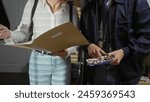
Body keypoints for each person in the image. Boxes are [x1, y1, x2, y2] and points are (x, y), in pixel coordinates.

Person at [0, 0, 79, 85]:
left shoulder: (72, 10)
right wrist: (9, 34)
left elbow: (76, 39)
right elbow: (23, 33)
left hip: (62, 63)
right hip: (38, 61)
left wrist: (68, 51)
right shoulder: (33, 4)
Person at [80, 0, 150, 84]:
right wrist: (88, 45)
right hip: (95, 73)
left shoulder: (137, 2)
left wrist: (124, 52)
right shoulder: (89, 7)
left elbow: (146, 37)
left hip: (125, 74)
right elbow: (82, 36)